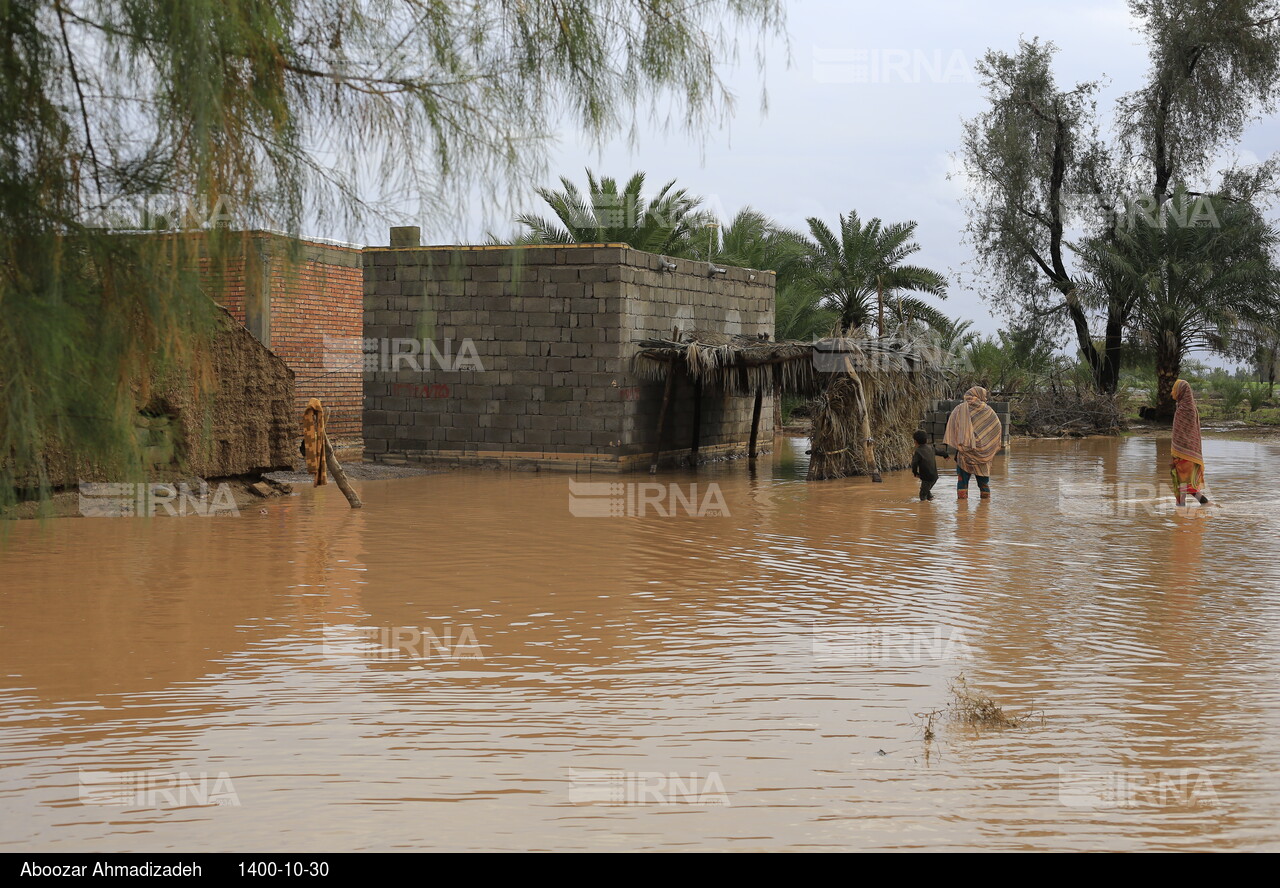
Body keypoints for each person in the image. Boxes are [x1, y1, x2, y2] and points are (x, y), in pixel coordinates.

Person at [943, 386, 1003, 500]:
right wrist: (987, 445)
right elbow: (997, 428)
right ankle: (984, 512)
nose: (985, 398)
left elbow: (953, 428)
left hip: (964, 453)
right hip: (983, 455)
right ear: (979, 395)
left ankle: (961, 513)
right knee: (984, 484)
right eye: (984, 396)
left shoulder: (959, 409)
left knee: (962, 483)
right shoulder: (988, 411)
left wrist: (963, 444)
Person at [1170, 379, 1209, 506]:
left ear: (1181, 391)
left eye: (1174, 390)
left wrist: (1177, 453)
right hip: (1184, 453)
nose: (1172, 393)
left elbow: (1185, 433)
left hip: (1186, 453)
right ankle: (1201, 505)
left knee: (1183, 483)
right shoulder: (1184, 407)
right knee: (1183, 483)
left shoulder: (1186, 410)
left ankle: (1182, 510)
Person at [910, 429, 939, 501]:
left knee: (922, 494)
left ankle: (924, 508)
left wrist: (915, 472)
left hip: (926, 478)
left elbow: (914, 463)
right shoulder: (931, 448)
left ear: (915, 441)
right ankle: (930, 499)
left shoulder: (918, 451)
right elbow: (939, 452)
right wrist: (945, 455)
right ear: (926, 440)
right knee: (927, 490)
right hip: (935, 476)